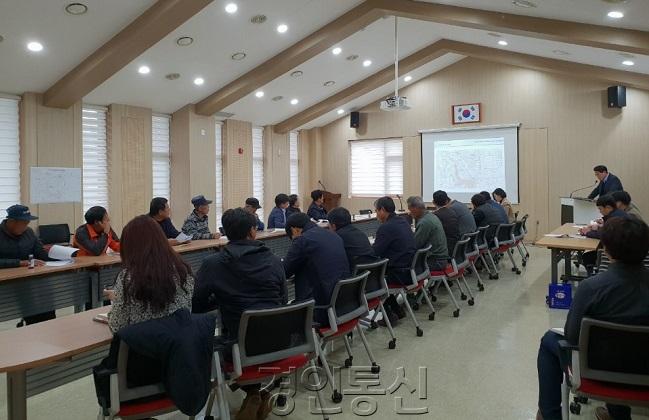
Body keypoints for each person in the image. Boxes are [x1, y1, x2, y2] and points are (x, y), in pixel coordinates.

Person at [536, 217, 649, 420]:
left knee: (548, 342)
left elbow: (572, 336)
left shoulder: (592, 287)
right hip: (645, 368)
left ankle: (549, 414)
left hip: (598, 369)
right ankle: (617, 415)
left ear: (606, 249)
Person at [193, 207, 286, 420]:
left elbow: (197, 306)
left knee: (216, 345)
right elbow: (281, 300)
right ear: (253, 231)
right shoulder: (273, 259)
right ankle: (258, 392)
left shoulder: (213, 264)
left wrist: (220, 299)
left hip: (238, 347)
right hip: (281, 341)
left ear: (225, 232)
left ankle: (253, 392)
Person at [105, 215, 194, 333]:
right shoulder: (183, 270)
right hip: (179, 344)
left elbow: (117, 326)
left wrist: (118, 299)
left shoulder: (129, 277)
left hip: (144, 347)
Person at [284, 212, 349, 326]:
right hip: (343, 304)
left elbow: (285, 271)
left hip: (319, 310)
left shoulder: (302, 240)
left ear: (294, 230)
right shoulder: (334, 235)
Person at [0, 205, 55, 325]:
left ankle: (49, 328)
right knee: (32, 311)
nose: (26, 226)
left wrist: (58, 253)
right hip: (8, 283)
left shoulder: (29, 233)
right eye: (24, 223)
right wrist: (19, 263)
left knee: (47, 300)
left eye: (28, 222)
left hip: (32, 280)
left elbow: (40, 253)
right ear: (11, 221)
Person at [372, 196, 416, 324]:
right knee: (382, 275)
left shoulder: (386, 228)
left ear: (382, 210)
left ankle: (389, 316)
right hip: (409, 271)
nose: (376, 214)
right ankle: (397, 309)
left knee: (373, 280)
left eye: (376, 210)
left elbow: (375, 253)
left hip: (399, 274)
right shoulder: (403, 221)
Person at [579, 194, 630, 274]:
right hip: (624, 249)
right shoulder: (618, 213)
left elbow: (603, 234)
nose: (600, 211)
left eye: (600, 209)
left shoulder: (614, 219)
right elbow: (606, 230)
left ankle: (593, 277)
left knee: (587, 257)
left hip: (619, 253)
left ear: (608, 207)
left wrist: (587, 232)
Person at [327, 207, 376, 271]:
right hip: (373, 272)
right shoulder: (360, 232)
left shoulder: (337, 237)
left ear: (333, 226)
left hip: (356, 276)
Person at [407, 196, 448, 271]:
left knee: (403, 265)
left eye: (410, 209)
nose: (409, 213)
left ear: (415, 208)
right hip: (441, 259)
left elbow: (415, 245)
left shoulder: (424, 222)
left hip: (435, 262)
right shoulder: (431, 216)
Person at [432, 191, 461, 257]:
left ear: (433, 202)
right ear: (446, 201)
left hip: (446, 249)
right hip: (456, 247)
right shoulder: (452, 212)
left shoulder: (435, 216)